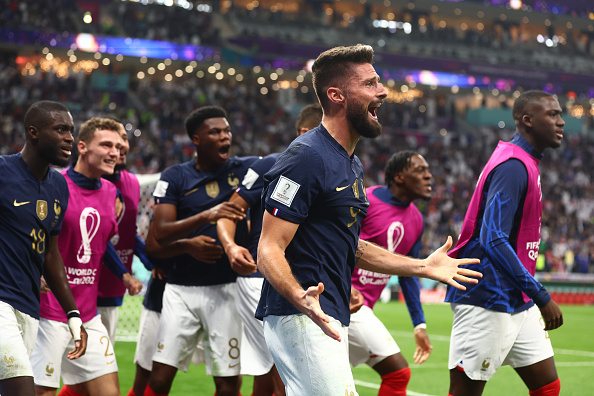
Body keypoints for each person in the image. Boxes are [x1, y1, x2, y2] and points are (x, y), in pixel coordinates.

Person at [255, 44, 482, 395]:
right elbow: (269, 246)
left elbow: (352, 246)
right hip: (301, 314)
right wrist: (301, 297)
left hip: (327, 312)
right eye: (370, 84)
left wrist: (422, 267)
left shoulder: (352, 164)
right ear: (336, 95)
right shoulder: (306, 157)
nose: (383, 91)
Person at [445, 90, 564, 396]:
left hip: (515, 296)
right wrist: (540, 294)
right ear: (527, 120)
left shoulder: (524, 161)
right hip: (486, 294)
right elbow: (492, 237)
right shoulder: (513, 165)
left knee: (548, 387)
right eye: (552, 115)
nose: (561, 122)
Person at [145, 106, 259, 396]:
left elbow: (275, 165)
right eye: (216, 132)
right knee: (158, 380)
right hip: (180, 289)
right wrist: (204, 218)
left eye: (227, 131)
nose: (225, 137)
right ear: (196, 139)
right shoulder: (175, 177)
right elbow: (160, 233)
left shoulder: (245, 170)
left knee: (228, 382)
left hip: (228, 290)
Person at [215, 103, 322, 396]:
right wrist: (231, 246)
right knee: (284, 367)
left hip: (302, 279)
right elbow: (228, 211)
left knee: (268, 375)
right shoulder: (270, 165)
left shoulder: (333, 172)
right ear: (305, 132)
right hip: (259, 277)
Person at [31, 117, 142, 396]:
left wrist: (124, 275)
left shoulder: (110, 192)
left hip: (87, 315)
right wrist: (35, 271)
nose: (115, 152)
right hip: (46, 312)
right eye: (106, 145)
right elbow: (25, 237)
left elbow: (100, 245)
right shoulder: (52, 185)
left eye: (118, 146)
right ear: (82, 147)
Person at [0, 100, 87, 396]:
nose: (70, 138)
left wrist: (72, 314)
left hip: (29, 309)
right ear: (33, 132)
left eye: (71, 131)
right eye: (61, 129)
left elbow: (51, 254)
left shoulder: (58, 187)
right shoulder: (2, 171)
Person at [349, 150, 434, 396]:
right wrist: (343, 285)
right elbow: (335, 243)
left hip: (361, 308)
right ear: (399, 177)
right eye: (420, 170)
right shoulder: (366, 200)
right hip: (339, 301)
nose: (429, 176)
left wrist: (419, 324)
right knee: (398, 374)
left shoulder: (417, 219)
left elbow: (408, 273)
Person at [97, 119, 153, 343]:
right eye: (109, 142)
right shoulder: (74, 184)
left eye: (123, 139)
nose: (119, 146)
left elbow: (129, 233)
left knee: (98, 365)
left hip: (113, 288)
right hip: (76, 287)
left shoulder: (132, 183)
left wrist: (154, 260)